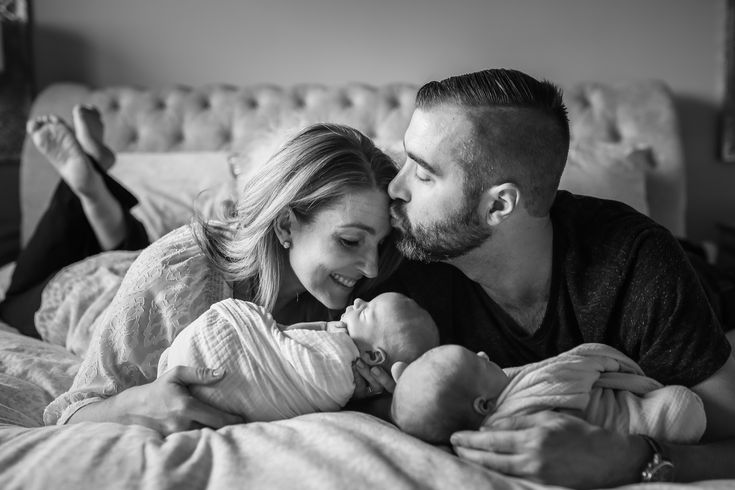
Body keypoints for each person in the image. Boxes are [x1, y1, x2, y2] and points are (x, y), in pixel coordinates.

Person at [363, 68, 735, 486]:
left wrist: (627, 459)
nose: (394, 188)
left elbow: (727, 436)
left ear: (499, 205)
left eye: (424, 173)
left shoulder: (636, 265)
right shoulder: (399, 254)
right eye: (404, 161)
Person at [36, 117, 402, 435]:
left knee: (126, 238)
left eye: (379, 244)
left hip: (156, 261)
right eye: (350, 240)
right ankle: (87, 184)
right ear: (286, 224)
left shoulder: (361, 304)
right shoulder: (180, 275)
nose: (371, 267)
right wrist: (136, 403)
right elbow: (69, 415)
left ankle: (96, 182)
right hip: (81, 294)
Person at [158, 292, 438, 421]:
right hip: (186, 381)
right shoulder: (335, 348)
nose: (357, 300)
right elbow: (282, 338)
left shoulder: (339, 356)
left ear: (375, 356)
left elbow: (290, 348)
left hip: (211, 371)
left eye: (366, 311)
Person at [0, 107, 150, 336]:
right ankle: (91, 178)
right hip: (126, 269)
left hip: (103, 280)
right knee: (133, 266)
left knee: (12, 306)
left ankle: (92, 171)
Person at [391, 344, 705, 446]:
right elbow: (578, 364)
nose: (485, 354)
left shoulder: (492, 434)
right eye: (478, 361)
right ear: (483, 404)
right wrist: (616, 367)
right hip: (665, 415)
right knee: (677, 401)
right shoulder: (532, 391)